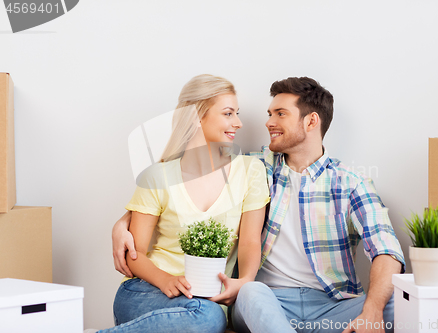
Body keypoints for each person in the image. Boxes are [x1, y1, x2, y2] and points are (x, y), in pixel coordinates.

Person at [113, 77, 405, 333]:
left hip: (331, 305)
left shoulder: (352, 182)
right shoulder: (257, 166)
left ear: (311, 121)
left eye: (280, 114)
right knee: (250, 291)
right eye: (269, 113)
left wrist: (373, 310)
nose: (268, 122)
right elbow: (184, 180)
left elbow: (387, 251)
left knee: (401, 306)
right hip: (268, 301)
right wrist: (122, 223)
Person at [101, 74, 270, 333]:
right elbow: (135, 255)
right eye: (228, 113)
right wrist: (165, 279)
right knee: (208, 318)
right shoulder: (156, 176)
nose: (238, 122)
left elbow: (249, 241)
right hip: (146, 291)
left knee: (208, 316)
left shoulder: (250, 171)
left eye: (236, 113)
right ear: (196, 116)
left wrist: (245, 281)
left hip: (203, 301)